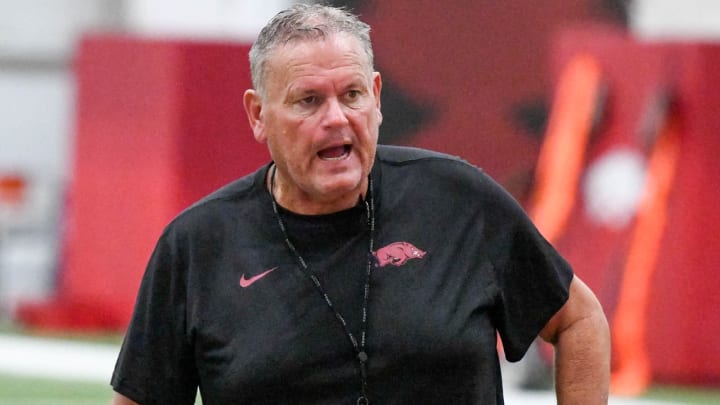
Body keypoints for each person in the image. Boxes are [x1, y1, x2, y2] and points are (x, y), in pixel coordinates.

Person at [110, 4, 610, 404]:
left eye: (351, 95)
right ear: (258, 115)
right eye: (308, 101)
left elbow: (579, 321)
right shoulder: (198, 246)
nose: (336, 118)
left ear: (376, 97)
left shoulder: (458, 200)